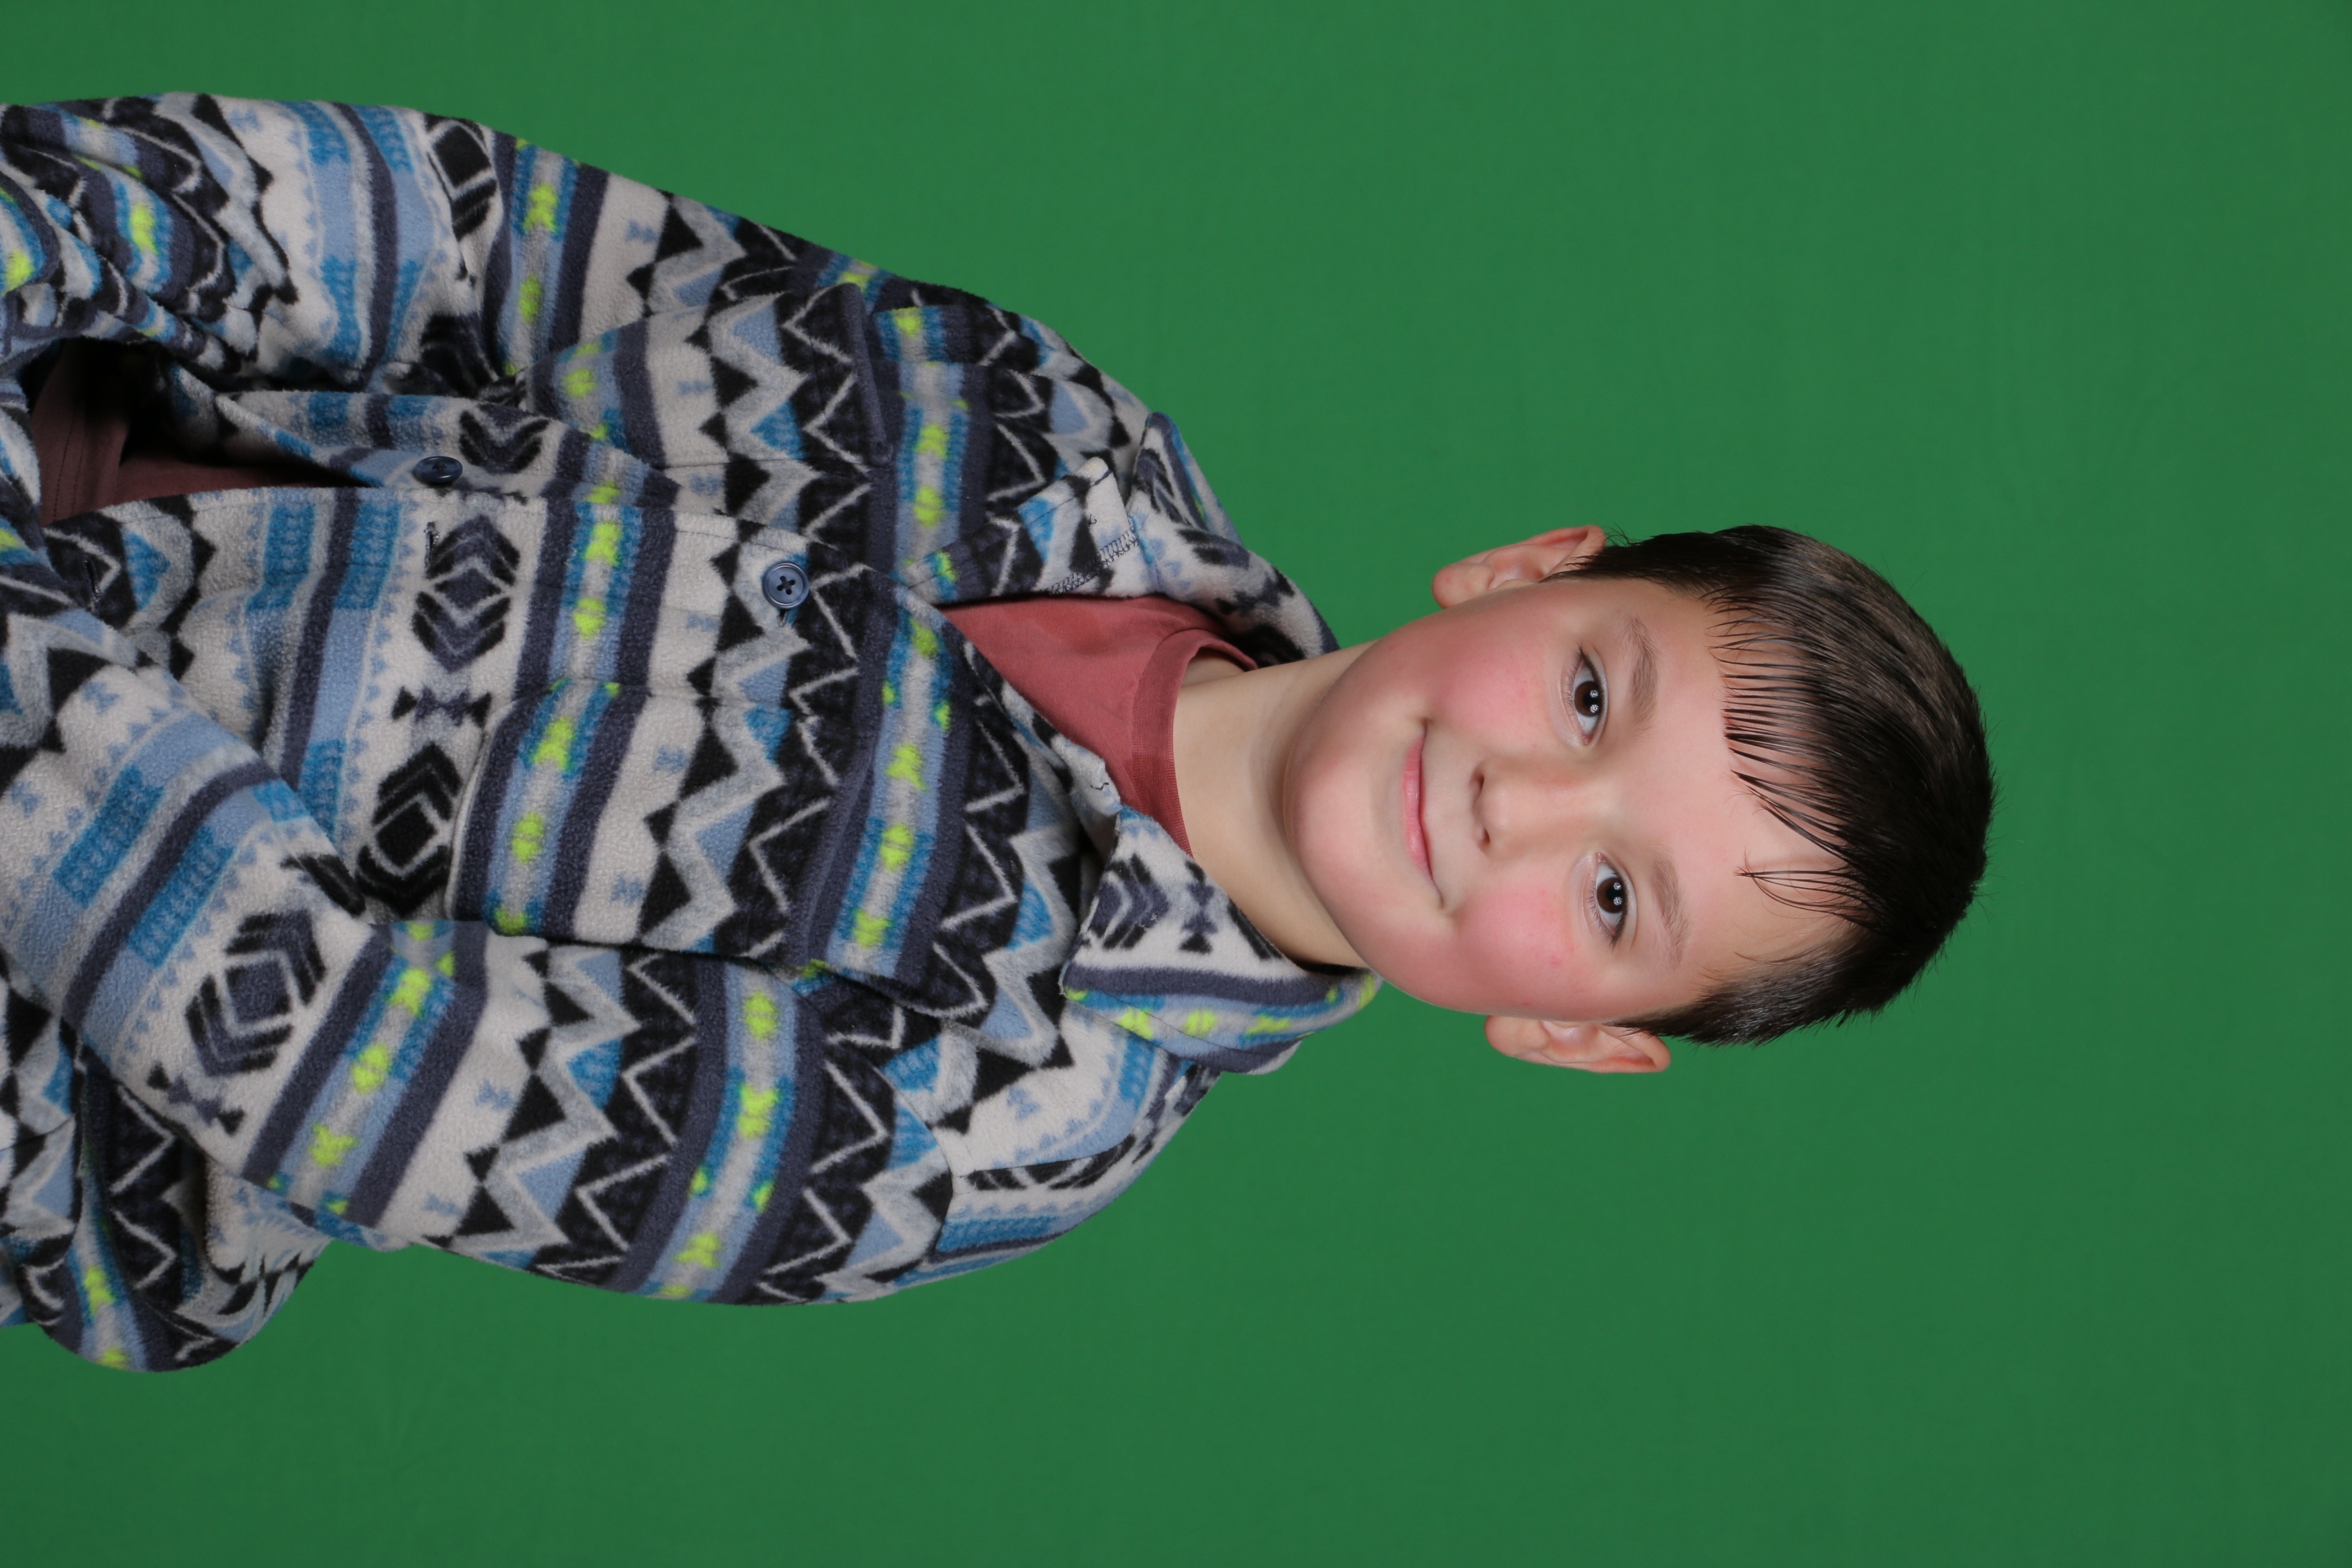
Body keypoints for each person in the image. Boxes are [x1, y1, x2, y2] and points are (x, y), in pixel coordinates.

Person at [0, 95, 1990, 1371]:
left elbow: (341, 1066)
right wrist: (59, 232)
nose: (1514, 801)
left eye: (1616, 895)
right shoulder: (1056, 428)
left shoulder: (1007, 1117)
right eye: (1591, 698)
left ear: (1570, 1033)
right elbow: (512, 252)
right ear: (1527, 569)